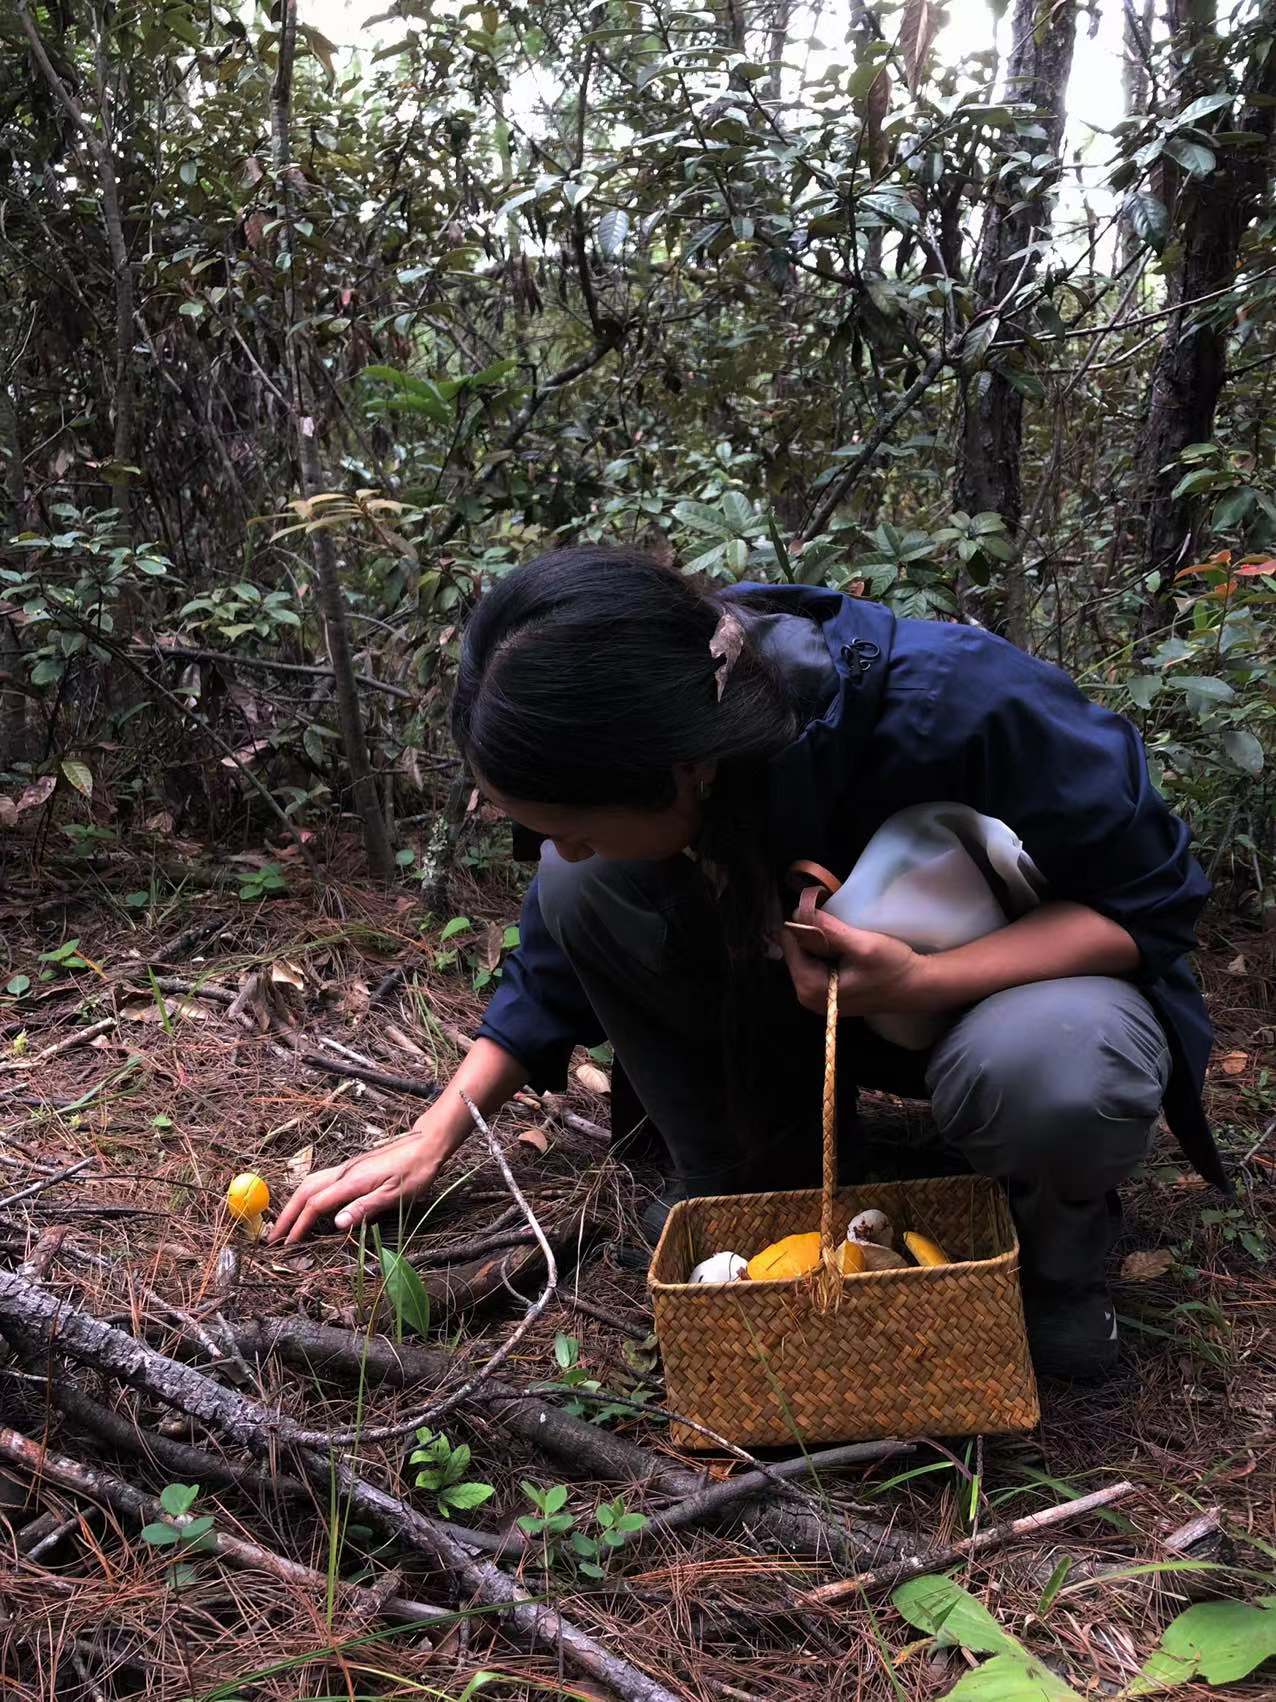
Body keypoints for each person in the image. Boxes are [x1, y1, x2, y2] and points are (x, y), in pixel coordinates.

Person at [271, 548, 1222, 1379]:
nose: (557, 847)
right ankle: (754, 1191)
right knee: (580, 895)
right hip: (814, 998)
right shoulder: (666, 708)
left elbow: (1152, 902)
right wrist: (438, 1131)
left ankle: (1052, 1260)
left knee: (1055, 1063)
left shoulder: (961, 703)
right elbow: (554, 950)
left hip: (1008, 992)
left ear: (684, 770)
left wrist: (920, 981)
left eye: (567, 826)